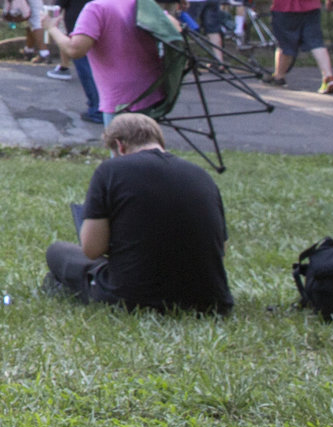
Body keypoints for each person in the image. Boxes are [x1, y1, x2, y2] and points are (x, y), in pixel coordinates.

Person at [44, 111, 232, 312]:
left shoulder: (111, 170)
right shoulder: (202, 175)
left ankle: (65, 286)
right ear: (160, 142)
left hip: (134, 296)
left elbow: (92, 249)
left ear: (120, 146)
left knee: (58, 251)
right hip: (209, 299)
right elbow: (221, 248)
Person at [48, 0, 166, 117]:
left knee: (120, 141)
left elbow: (75, 49)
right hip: (150, 91)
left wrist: (51, 28)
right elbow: (173, 27)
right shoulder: (141, 1)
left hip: (119, 97)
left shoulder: (96, 8)